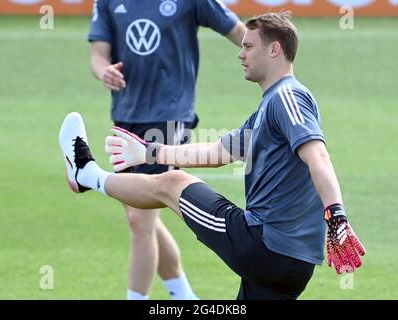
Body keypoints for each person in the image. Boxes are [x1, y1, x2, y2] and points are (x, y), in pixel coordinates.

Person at [61, 12, 365, 300]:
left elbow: (319, 157)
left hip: (263, 244)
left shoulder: (287, 97)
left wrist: (336, 216)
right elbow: (216, 151)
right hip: (294, 265)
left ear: (274, 50)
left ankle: (86, 174)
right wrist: (149, 151)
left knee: (173, 182)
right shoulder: (268, 109)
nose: (240, 54)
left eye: (248, 46)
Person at [87, 0, 245, 300]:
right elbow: (98, 55)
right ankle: (185, 297)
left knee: (139, 220)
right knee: (141, 215)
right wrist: (104, 71)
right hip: (125, 116)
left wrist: (274, 54)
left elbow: (238, 31)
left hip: (169, 116)